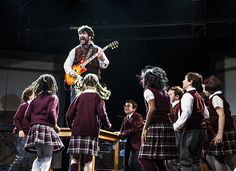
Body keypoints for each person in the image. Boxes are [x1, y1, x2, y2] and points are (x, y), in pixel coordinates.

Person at [66, 73, 112, 171]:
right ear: (96, 84)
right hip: (91, 132)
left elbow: (68, 115)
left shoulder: (78, 97)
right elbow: (102, 114)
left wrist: (72, 127)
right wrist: (108, 125)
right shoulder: (98, 97)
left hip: (77, 131)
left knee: (74, 159)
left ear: (84, 83)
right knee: (88, 161)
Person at [137, 66, 178, 171]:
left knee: (143, 158)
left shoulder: (148, 91)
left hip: (156, 125)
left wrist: (145, 129)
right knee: (158, 159)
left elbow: (152, 110)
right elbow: (171, 112)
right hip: (167, 125)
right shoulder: (165, 92)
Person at [24, 74, 64, 171]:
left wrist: (35, 122)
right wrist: (54, 125)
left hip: (35, 128)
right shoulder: (53, 98)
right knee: (47, 157)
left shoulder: (35, 99)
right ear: (52, 84)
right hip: (46, 127)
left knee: (40, 157)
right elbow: (51, 112)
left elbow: (26, 115)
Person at [173, 72, 209, 171]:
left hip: (191, 131)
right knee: (196, 161)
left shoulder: (187, 95)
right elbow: (206, 114)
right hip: (201, 131)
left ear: (190, 81)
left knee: (186, 161)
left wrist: (176, 126)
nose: (183, 81)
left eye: (185, 79)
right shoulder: (199, 96)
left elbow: (186, 113)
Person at [64, 25, 110, 100]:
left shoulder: (98, 49)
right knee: (76, 106)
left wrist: (102, 58)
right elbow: (66, 65)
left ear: (90, 36)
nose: (81, 36)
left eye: (84, 33)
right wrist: (70, 72)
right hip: (78, 84)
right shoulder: (74, 50)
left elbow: (104, 65)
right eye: (80, 34)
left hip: (93, 85)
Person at [203, 75, 236, 171]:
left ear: (210, 87)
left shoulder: (215, 97)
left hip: (222, 131)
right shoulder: (215, 97)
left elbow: (221, 115)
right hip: (223, 130)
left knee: (214, 156)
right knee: (224, 158)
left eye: (205, 88)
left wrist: (220, 134)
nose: (204, 91)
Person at [8, 85, 34, 171]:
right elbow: (16, 119)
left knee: (29, 159)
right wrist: (20, 130)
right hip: (22, 134)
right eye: (35, 94)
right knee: (21, 157)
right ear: (29, 95)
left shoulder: (34, 108)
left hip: (29, 136)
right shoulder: (24, 106)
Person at [118, 99, 144, 171]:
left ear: (134, 109)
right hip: (129, 143)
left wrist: (122, 133)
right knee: (126, 164)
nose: (125, 107)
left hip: (137, 143)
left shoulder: (138, 116)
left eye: (128, 106)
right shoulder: (125, 118)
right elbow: (125, 132)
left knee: (134, 164)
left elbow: (136, 129)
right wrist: (119, 135)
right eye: (125, 106)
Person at [166, 86, 184, 171]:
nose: (168, 96)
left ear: (177, 96)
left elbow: (181, 120)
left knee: (174, 160)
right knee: (168, 160)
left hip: (177, 133)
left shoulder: (180, 106)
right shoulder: (170, 106)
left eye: (170, 94)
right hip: (171, 134)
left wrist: (173, 127)